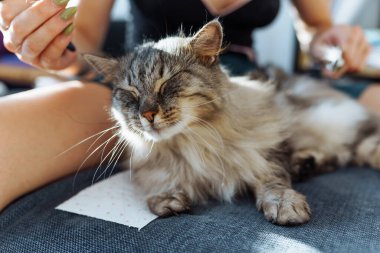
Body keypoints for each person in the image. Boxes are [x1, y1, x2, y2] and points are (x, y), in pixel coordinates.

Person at [0, 0, 377, 211]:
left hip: (234, 83)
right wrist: (49, 43)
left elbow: (316, 28)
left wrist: (333, 44)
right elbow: (81, 45)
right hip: (127, 78)